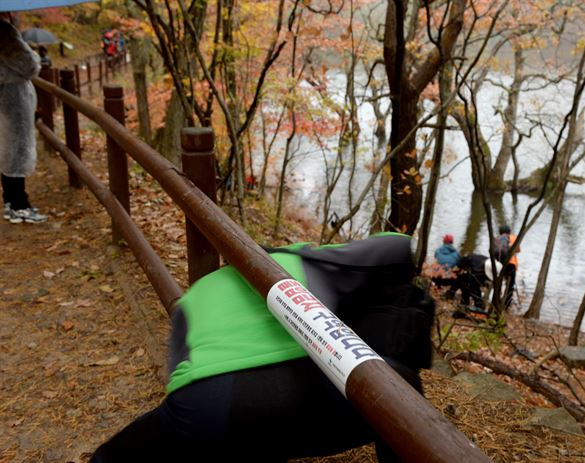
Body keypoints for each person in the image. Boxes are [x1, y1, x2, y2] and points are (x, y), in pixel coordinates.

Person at [91, 233, 434, 462]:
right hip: (245, 399)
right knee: (401, 395)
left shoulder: (227, 280)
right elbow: (394, 246)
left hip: (193, 402)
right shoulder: (315, 265)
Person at [0, 12, 47, 224]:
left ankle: (11, 200)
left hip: (4, 94)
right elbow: (29, 66)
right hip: (12, 97)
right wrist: (36, 57)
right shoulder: (3, 31)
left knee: (7, 147)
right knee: (16, 148)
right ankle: (19, 204)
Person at [495, 224, 520, 309]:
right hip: (511, 263)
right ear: (509, 231)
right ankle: (506, 304)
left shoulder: (497, 238)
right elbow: (518, 250)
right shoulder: (513, 237)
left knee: (499, 282)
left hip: (499, 264)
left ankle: (496, 301)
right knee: (510, 285)